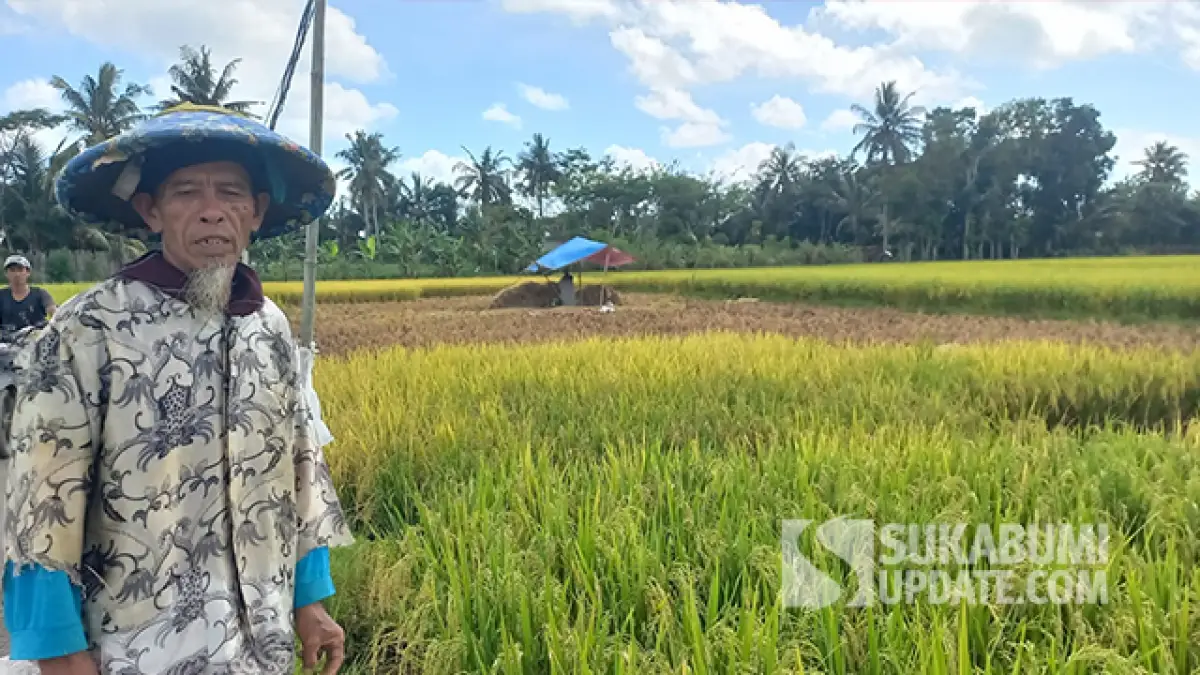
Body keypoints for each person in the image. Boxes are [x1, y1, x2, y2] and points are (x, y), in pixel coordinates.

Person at [2, 103, 354, 674]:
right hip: (138, 642)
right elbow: (41, 498)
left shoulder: (269, 327)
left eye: (232, 193)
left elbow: (298, 464)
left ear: (257, 211)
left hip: (259, 636)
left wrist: (309, 599)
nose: (213, 212)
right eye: (187, 192)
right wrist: (60, 652)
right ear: (151, 211)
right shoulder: (88, 327)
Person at [0, 254, 56, 333]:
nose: (17, 274)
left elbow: (55, 314)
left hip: (36, 339)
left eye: (20, 270)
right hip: (6, 342)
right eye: (12, 270)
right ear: (6, 273)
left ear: (28, 272)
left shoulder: (40, 294)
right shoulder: (1, 296)